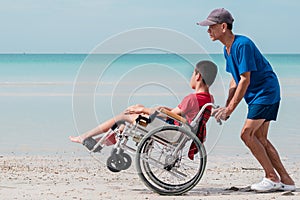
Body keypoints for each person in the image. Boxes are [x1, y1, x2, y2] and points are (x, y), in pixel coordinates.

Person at [197, 8, 295, 192]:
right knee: (260, 138)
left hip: (265, 92)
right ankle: (287, 180)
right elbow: (235, 79)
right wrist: (227, 105)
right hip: (260, 93)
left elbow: (245, 79)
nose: (208, 30)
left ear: (223, 26)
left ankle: (271, 178)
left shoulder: (243, 44)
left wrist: (230, 110)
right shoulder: (227, 49)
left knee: (246, 134)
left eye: (211, 26)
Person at [70, 60, 217, 149]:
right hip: (176, 129)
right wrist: (150, 109)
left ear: (197, 76)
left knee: (124, 116)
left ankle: (86, 136)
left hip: (168, 131)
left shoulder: (192, 98)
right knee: (136, 111)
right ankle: (110, 138)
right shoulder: (209, 99)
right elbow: (176, 113)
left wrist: (143, 110)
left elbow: (172, 115)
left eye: (192, 74)